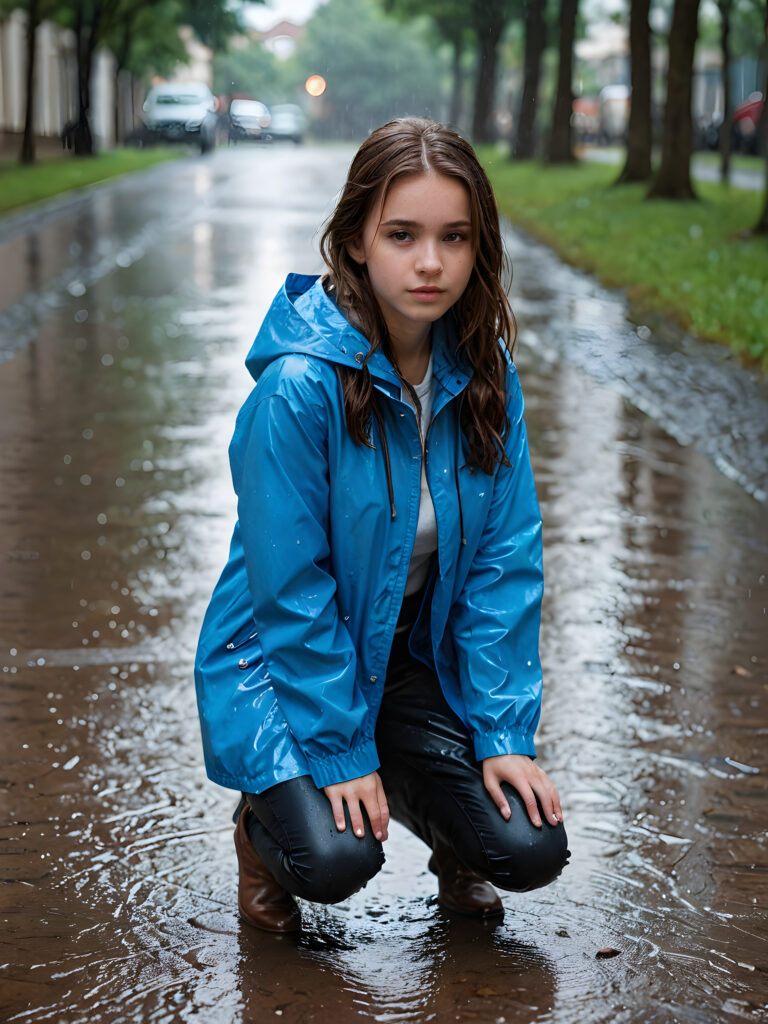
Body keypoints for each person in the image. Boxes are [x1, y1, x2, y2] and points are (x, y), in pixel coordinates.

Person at [194, 117, 569, 933]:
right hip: (285, 665)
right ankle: (262, 835)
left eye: (454, 237)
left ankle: (454, 836)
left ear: (478, 246)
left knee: (529, 845)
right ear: (357, 241)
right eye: (403, 235)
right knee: (336, 859)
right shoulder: (298, 390)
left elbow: (505, 562)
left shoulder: (487, 375)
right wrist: (338, 748)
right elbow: (291, 593)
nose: (430, 262)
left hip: (414, 661)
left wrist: (501, 732)